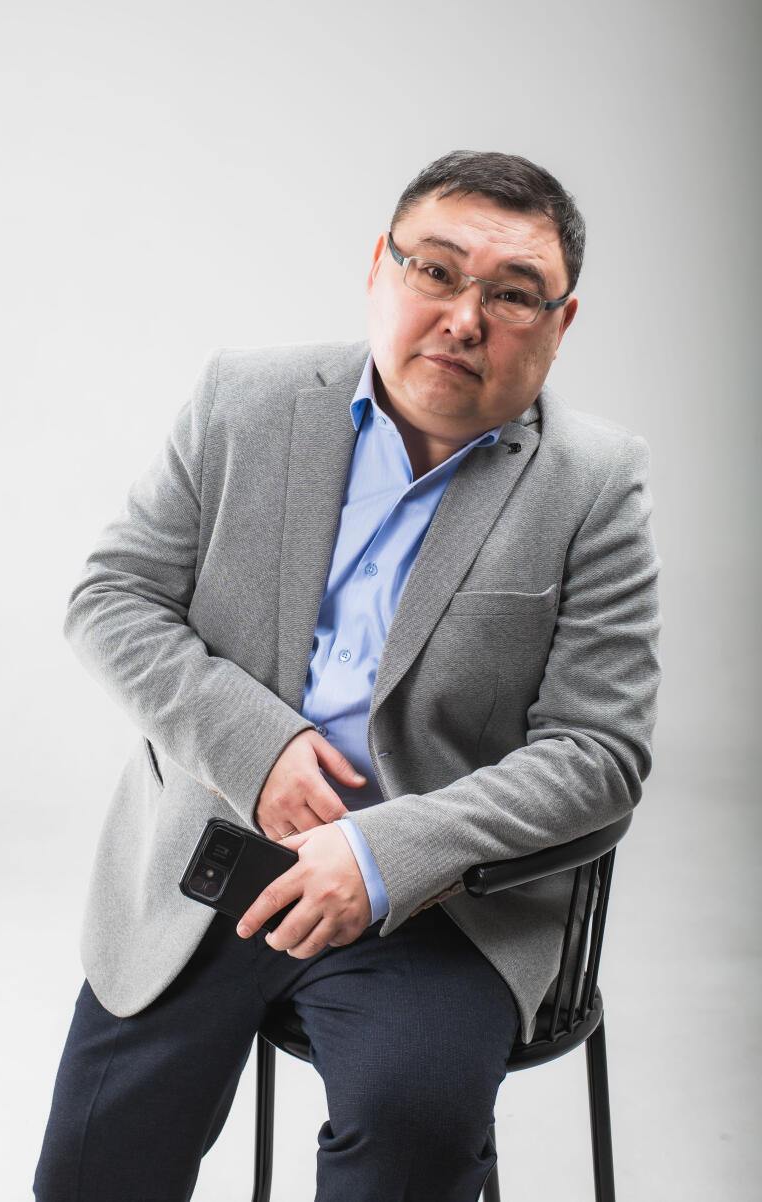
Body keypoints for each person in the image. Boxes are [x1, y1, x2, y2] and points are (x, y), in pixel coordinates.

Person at [34, 150, 660, 1201]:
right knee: (92, 1173)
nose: (465, 316)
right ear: (379, 267)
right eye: (435, 271)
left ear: (559, 323)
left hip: (430, 894)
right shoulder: (245, 398)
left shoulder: (592, 485)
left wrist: (378, 850)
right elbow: (110, 597)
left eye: (511, 294)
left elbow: (597, 752)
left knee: (409, 1144)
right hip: (211, 853)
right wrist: (256, 741)